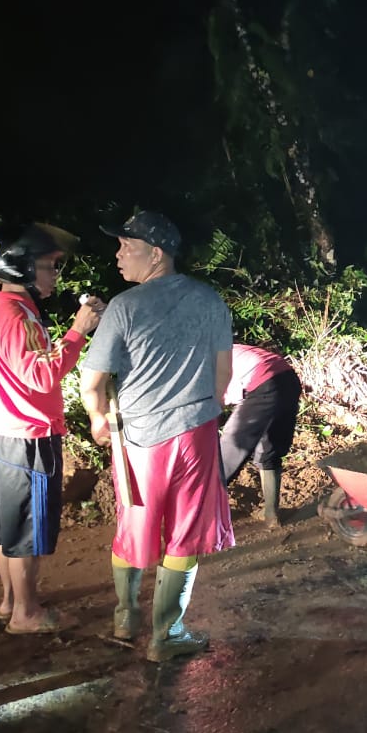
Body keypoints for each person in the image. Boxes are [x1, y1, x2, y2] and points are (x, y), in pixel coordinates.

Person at [80, 211, 235, 663]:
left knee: (135, 524)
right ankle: (165, 636)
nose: (118, 254)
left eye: (126, 246)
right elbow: (223, 376)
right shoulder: (210, 301)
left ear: (156, 252)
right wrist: (206, 408)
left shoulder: (125, 307)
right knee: (184, 533)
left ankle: (126, 614)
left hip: (138, 441)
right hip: (195, 435)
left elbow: (92, 383)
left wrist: (96, 419)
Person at [0, 223, 104, 634]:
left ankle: (10, 602)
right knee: (27, 531)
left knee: (6, 530)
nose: (53, 276)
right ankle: (26, 614)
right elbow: (43, 375)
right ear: (23, 269)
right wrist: (78, 331)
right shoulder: (19, 317)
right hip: (27, 439)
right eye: (48, 266)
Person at [221, 343, 302, 526]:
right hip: (289, 379)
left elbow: (214, 404)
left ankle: (199, 517)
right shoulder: (229, 347)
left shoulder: (206, 359)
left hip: (263, 383)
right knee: (269, 447)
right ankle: (271, 514)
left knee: (228, 452)